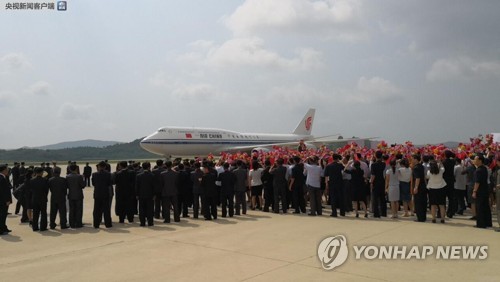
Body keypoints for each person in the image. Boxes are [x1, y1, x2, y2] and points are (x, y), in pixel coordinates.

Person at [472, 154, 492, 228]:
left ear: (480, 161)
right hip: (485, 190)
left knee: (480, 207)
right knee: (485, 207)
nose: (474, 161)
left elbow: (477, 182)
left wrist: (474, 191)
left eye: (475, 159)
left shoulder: (478, 170)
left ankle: (481, 224)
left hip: (480, 191)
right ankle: (488, 222)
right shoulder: (484, 168)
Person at [92, 161, 113, 228]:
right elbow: (110, 183)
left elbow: (93, 183)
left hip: (97, 193)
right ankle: (108, 224)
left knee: (96, 210)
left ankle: (96, 224)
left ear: (99, 166)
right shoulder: (108, 174)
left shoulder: (94, 174)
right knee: (106, 210)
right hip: (105, 193)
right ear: (105, 167)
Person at [135, 162, 155, 227]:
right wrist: (154, 195)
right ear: (149, 167)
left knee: (141, 209)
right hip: (150, 195)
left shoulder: (138, 176)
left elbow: (137, 186)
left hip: (141, 195)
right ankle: (150, 222)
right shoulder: (152, 175)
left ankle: (142, 223)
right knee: (150, 209)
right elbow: (154, 186)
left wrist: (137, 195)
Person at [30, 167, 49, 231]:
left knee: (35, 213)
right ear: (41, 172)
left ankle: (35, 227)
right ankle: (43, 227)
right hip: (43, 198)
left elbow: (31, 190)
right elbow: (46, 190)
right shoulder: (45, 180)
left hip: (34, 198)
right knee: (43, 213)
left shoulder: (32, 180)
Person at [66, 164, 85, 228]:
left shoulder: (67, 176)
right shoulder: (79, 176)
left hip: (71, 195)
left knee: (71, 210)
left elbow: (67, 186)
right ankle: (78, 223)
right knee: (79, 210)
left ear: (70, 169)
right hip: (79, 195)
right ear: (76, 169)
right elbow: (83, 186)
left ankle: (72, 223)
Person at [370, 151, 387, 218]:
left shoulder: (373, 165)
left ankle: (376, 213)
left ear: (375, 156)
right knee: (382, 198)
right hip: (382, 182)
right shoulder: (384, 164)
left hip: (376, 183)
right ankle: (383, 213)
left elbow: (373, 175)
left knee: (375, 199)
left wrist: (371, 182)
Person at [412, 154, 427, 222]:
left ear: (415, 159)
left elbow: (417, 178)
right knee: (423, 202)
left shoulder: (416, 168)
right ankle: (423, 217)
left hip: (419, 186)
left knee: (418, 202)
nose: (412, 160)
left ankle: (420, 217)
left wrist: (416, 187)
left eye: (413, 159)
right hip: (423, 186)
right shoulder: (421, 166)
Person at [0, 164, 12, 235]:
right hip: (3, 201)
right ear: (4, 170)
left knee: (3, 215)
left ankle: (4, 227)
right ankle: (1, 230)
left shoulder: (3, 177)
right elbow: (3, 191)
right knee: (2, 215)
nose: (8, 171)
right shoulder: (1, 178)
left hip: (2, 200)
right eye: (7, 169)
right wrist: (7, 200)